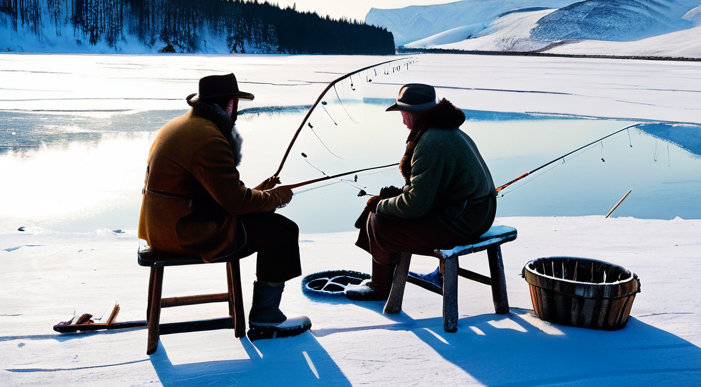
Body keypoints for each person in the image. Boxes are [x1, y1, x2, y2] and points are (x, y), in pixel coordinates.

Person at [138, 73, 311, 339]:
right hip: (186, 233)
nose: (237, 114)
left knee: (269, 224)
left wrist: (258, 192)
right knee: (282, 231)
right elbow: (235, 203)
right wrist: (275, 198)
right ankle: (267, 319)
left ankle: (265, 315)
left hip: (161, 227)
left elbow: (220, 192)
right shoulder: (209, 139)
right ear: (228, 105)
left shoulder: (181, 126)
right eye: (235, 105)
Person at [345, 83, 497, 300]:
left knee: (380, 221)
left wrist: (380, 205)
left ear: (413, 113)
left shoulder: (431, 141)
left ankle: (380, 287)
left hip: (464, 220)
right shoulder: (444, 132)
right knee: (384, 210)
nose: (401, 117)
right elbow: (431, 187)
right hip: (474, 213)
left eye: (402, 111)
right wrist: (397, 195)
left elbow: (416, 205)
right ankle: (385, 278)